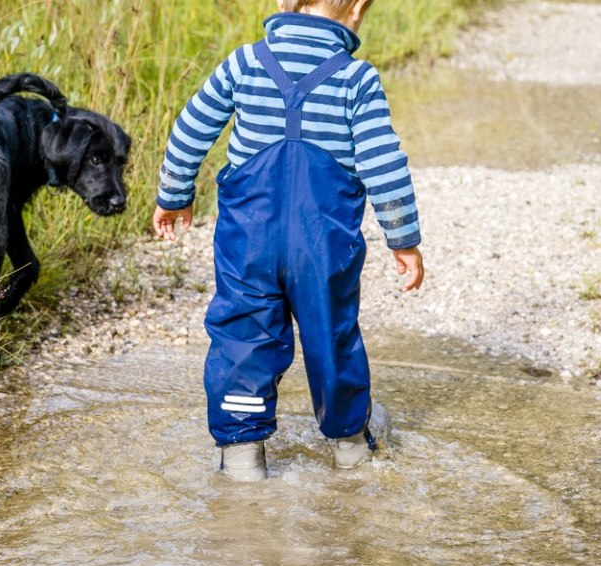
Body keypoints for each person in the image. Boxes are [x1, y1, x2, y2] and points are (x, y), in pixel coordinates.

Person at [151, 0, 425, 482]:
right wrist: (402, 239)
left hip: (247, 242)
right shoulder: (356, 79)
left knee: (243, 333)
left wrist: (174, 195)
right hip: (323, 247)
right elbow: (384, 163)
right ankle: (349, 445)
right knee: (331, 333)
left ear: (281, 3)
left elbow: (191, 129)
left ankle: (242, 456)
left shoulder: (244, 62)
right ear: (358, 8)